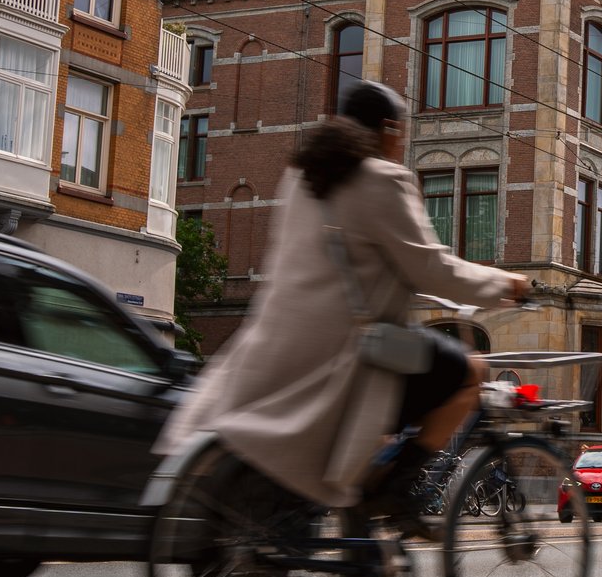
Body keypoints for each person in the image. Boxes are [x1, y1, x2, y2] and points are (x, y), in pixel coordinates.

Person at [156, 81, 528, 528]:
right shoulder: (383, 179)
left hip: (273, 347)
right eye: (400, 132)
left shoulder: (302, 178)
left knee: (385, 422)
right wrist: (507, 283)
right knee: (471, 371)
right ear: (388, 129)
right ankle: (397, 489)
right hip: (351, 353)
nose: (402, 142)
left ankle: (360, 551)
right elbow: (433, 270)